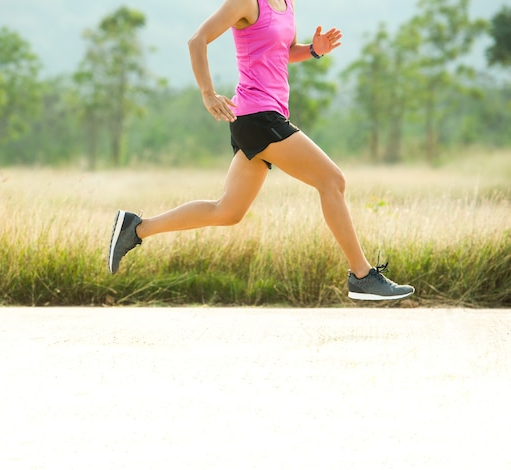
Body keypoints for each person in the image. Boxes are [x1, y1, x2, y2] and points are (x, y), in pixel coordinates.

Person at [107, 0, 415, 301]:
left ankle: (136, 229)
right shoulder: (246, 3)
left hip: (264, 116)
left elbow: (283, 52)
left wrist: (312, 50)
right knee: (332, 181)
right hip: (258, 117)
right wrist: (207, 93)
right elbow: (196, 40)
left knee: (226, 211)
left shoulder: (287, 4)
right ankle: (361, 275)